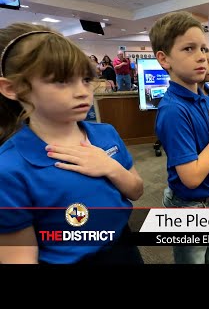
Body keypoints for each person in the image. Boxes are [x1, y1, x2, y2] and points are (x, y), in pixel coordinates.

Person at [0, 23, 144, 264]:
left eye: (86, 79)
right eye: (61, 81)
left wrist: (109, 167)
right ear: (12, 88)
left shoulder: (106, 134)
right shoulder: (9, 168)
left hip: (124, 247)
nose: (82, 92)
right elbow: (20, 258)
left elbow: (136, 191)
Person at [149, 11, 209, 264]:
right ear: (164, 59)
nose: (202, 57)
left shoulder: (206, 98)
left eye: (204, 49)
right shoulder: (173, 110)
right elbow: (192, 177)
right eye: (188, 48)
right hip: (189, 207)